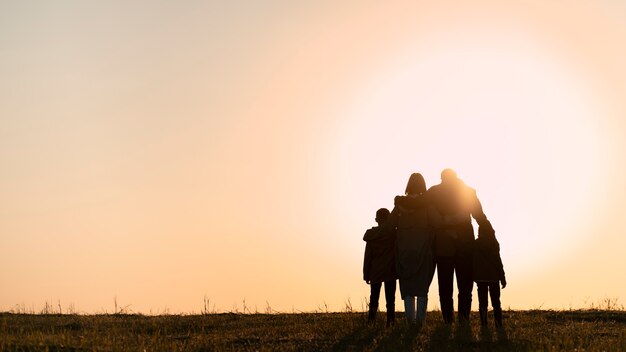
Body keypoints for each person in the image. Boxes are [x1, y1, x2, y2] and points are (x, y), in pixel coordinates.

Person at [423, 168, 491, 324]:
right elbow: (479, 216)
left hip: (443, 245)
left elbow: (421, 207)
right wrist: (489, 234)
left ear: (442, 178)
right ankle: (463, 318)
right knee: (465, 285)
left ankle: (448, 319)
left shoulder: (434, 192)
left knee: (446, 286)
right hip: (465, 243)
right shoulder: (468, 191)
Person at [389, 173, 436, 325]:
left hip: (404, 250)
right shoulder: (428, 205)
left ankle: (410, 320)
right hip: (423, 250)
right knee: (422, 286)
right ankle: (420, 322)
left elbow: (390, 225)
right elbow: (435, 223)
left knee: (408, 287)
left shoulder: (400, 205)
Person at [363, 208, 397, 326]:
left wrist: (366, 274)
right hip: (390, 269)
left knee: (374, 298)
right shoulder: (393, 233)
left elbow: (368, 257)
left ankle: (371, 320)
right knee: (390, 299)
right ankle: (391, 321)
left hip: (375, 270)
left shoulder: (371, 235)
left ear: (376, 219)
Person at [473, 220, 507, 327]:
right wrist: (502, 277)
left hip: (480, 278)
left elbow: (472, 262)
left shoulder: (475, 244)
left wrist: (473, 275)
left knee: (483, 303)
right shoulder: (494, 244)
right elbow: (498, 261)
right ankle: (498, 324)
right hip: (493, 277)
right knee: (496, 302)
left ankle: (484, 324)